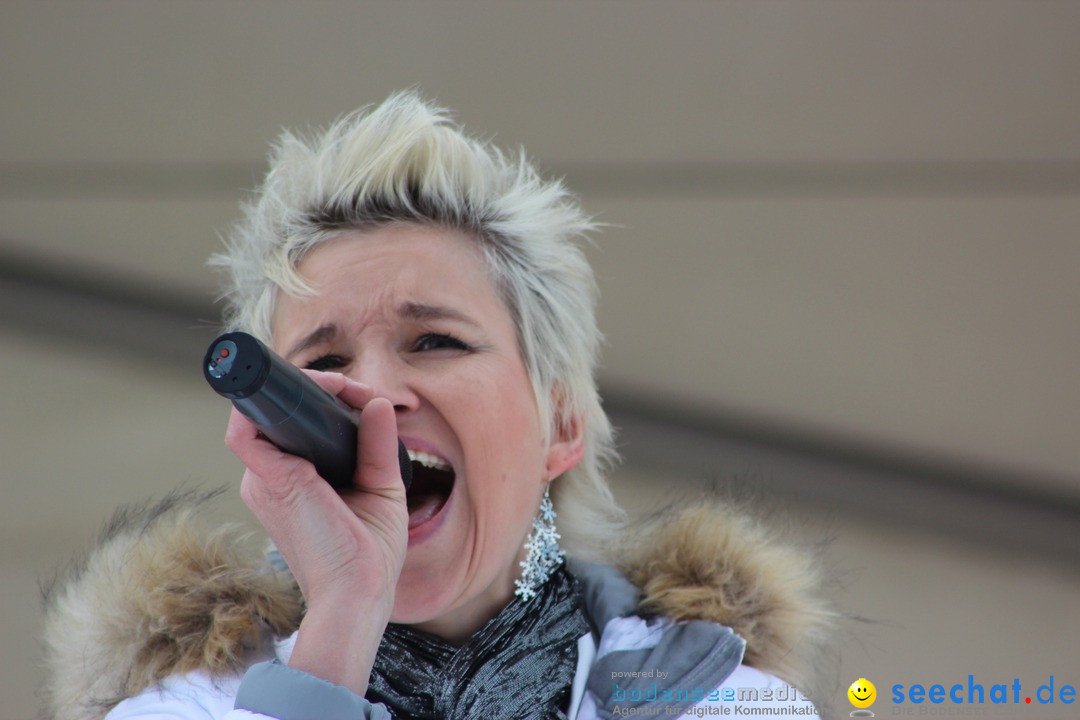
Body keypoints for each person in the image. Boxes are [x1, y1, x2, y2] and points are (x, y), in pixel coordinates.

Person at [42, 91, 832, 720]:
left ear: (560, 426)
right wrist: (340, 627)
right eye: (324, 361)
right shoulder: (191, 706)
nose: (378, 393)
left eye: (436, 341)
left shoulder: (717, 698)